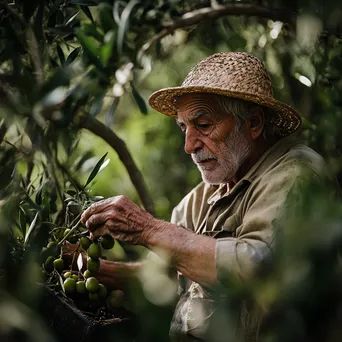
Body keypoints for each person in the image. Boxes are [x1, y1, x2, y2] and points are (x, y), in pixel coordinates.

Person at [80, 52, 333, 341]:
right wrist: (99, 271)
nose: (189, 145)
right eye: (183, 127)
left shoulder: (295, 174)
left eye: (203, 125)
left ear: (253, 123)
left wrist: (148, 229)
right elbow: (171, 276)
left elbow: (258, 271)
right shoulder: (206, 194)